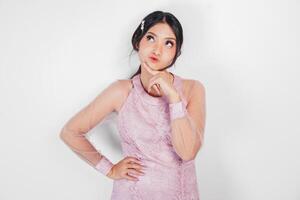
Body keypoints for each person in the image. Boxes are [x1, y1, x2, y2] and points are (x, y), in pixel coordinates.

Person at [60, 10, 206, 200]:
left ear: (176, 52)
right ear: (138, 41)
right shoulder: (122, 91)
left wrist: (173, 97)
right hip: (132, 193)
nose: (157, 49)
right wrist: (110, 169)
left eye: (168, 43)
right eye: (151, 38)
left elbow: (187, 152)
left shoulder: (192, 89)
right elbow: (70, 132)